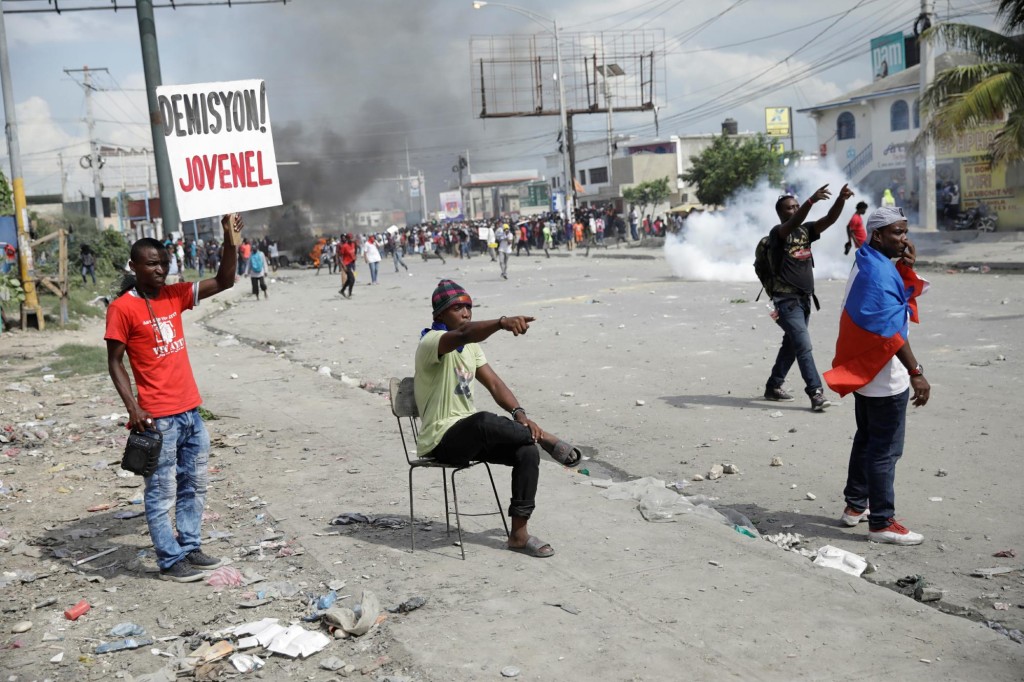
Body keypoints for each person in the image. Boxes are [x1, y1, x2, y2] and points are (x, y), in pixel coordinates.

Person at [104, 214, 241, 582]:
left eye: (164, 263)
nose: (161, 269)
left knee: (194, 483)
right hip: (158, 418)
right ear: (134, 266)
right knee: (161, 490)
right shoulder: (122, 308)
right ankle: (169, 561)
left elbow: (225, 280)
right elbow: (114, 362)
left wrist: (230, 240)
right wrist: (134, 408)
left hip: (191, 413)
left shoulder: (174, 295)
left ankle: (190, 546)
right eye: (152, 264)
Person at [414, 279, 582, 558]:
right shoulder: (432, 341)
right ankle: (546, 438)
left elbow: (494, 384)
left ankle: (518, 535)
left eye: (468, 307)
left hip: (471, 436)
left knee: (526, 452)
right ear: (440, 314)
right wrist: (502, 322)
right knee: (482, 421)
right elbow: (467, 333)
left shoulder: (471, 348)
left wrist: (520, 414)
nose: (466, 313)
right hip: (441, 439)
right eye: (457, 308)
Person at [824, 206, 930, 545]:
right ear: (877, 235)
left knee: (867, 439)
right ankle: (882, 522)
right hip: (883, 374)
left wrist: (906, 266)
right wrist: (916, 373)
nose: (904, 239)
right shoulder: (877, 273)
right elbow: (889, 329)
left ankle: (855, 506)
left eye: (905, 232)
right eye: (897, 233)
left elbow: (892, 301)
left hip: (865, 370)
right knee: (885, 449)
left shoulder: (867, 260)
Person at [764, 183, 853, 411]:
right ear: (780, 213)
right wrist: (811, 201)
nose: (794, 210)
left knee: (792, 345)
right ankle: (816, 392)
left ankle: (773, 386)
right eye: (789, 208)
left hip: (804, 301)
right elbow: (793, 222)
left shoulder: (806, 231)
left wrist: (841, 199)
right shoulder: (778, 234)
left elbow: (829, 220)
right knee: (803, 345)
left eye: (796, 206)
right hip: (786, 302)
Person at [339, 233, 356, 298]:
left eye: (352, 238)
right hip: (346, 264)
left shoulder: (353, 244)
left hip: (352, 263)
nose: (352, 239)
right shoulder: (344, 246)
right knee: (352, 279)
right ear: (347, 239)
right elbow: (340, 257)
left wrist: (354, 258)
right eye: (350, 238)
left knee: (349, 279)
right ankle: (349, 293)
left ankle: (342, 290)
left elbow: (353, 253)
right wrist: (343, 266)